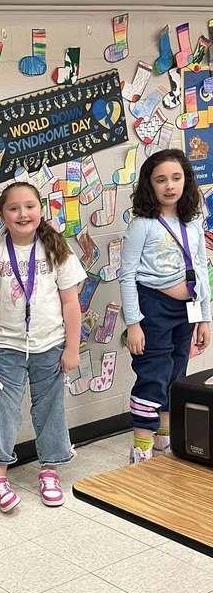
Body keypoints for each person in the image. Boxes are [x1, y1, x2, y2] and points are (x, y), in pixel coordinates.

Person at [0, 182, 84, 512]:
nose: (23, 213)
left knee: (49, 408)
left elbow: (71, 303)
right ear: (2, 214)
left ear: (41, 209)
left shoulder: (57, 248)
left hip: (50, 345)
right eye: (14, 208)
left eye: (30, 206)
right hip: (7, 348)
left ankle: (49, 470)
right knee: (4, 411)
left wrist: (72, 349)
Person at [119, 148, 211, 462]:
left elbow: (200, 268)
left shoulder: (193, 223)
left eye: (176, 178)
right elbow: (127, 274)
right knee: (153, 376)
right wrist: (133, 323)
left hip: (186, 310)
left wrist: (205, 317)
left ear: (186, 181)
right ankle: (141, 451)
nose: (169, 185)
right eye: (161, 180)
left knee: (177, 375)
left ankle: (163, 441)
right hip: (152, 309)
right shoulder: (142, 224)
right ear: (150, 184)